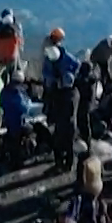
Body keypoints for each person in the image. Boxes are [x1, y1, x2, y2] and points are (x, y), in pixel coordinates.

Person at [42, 40, 81, 173]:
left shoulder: (59, 96)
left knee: (59, 143)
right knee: (69, 145)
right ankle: (69, 164)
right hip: (71, 125)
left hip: (63, 124)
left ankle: (59, 163)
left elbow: (57, 108)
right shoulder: (76, 94)